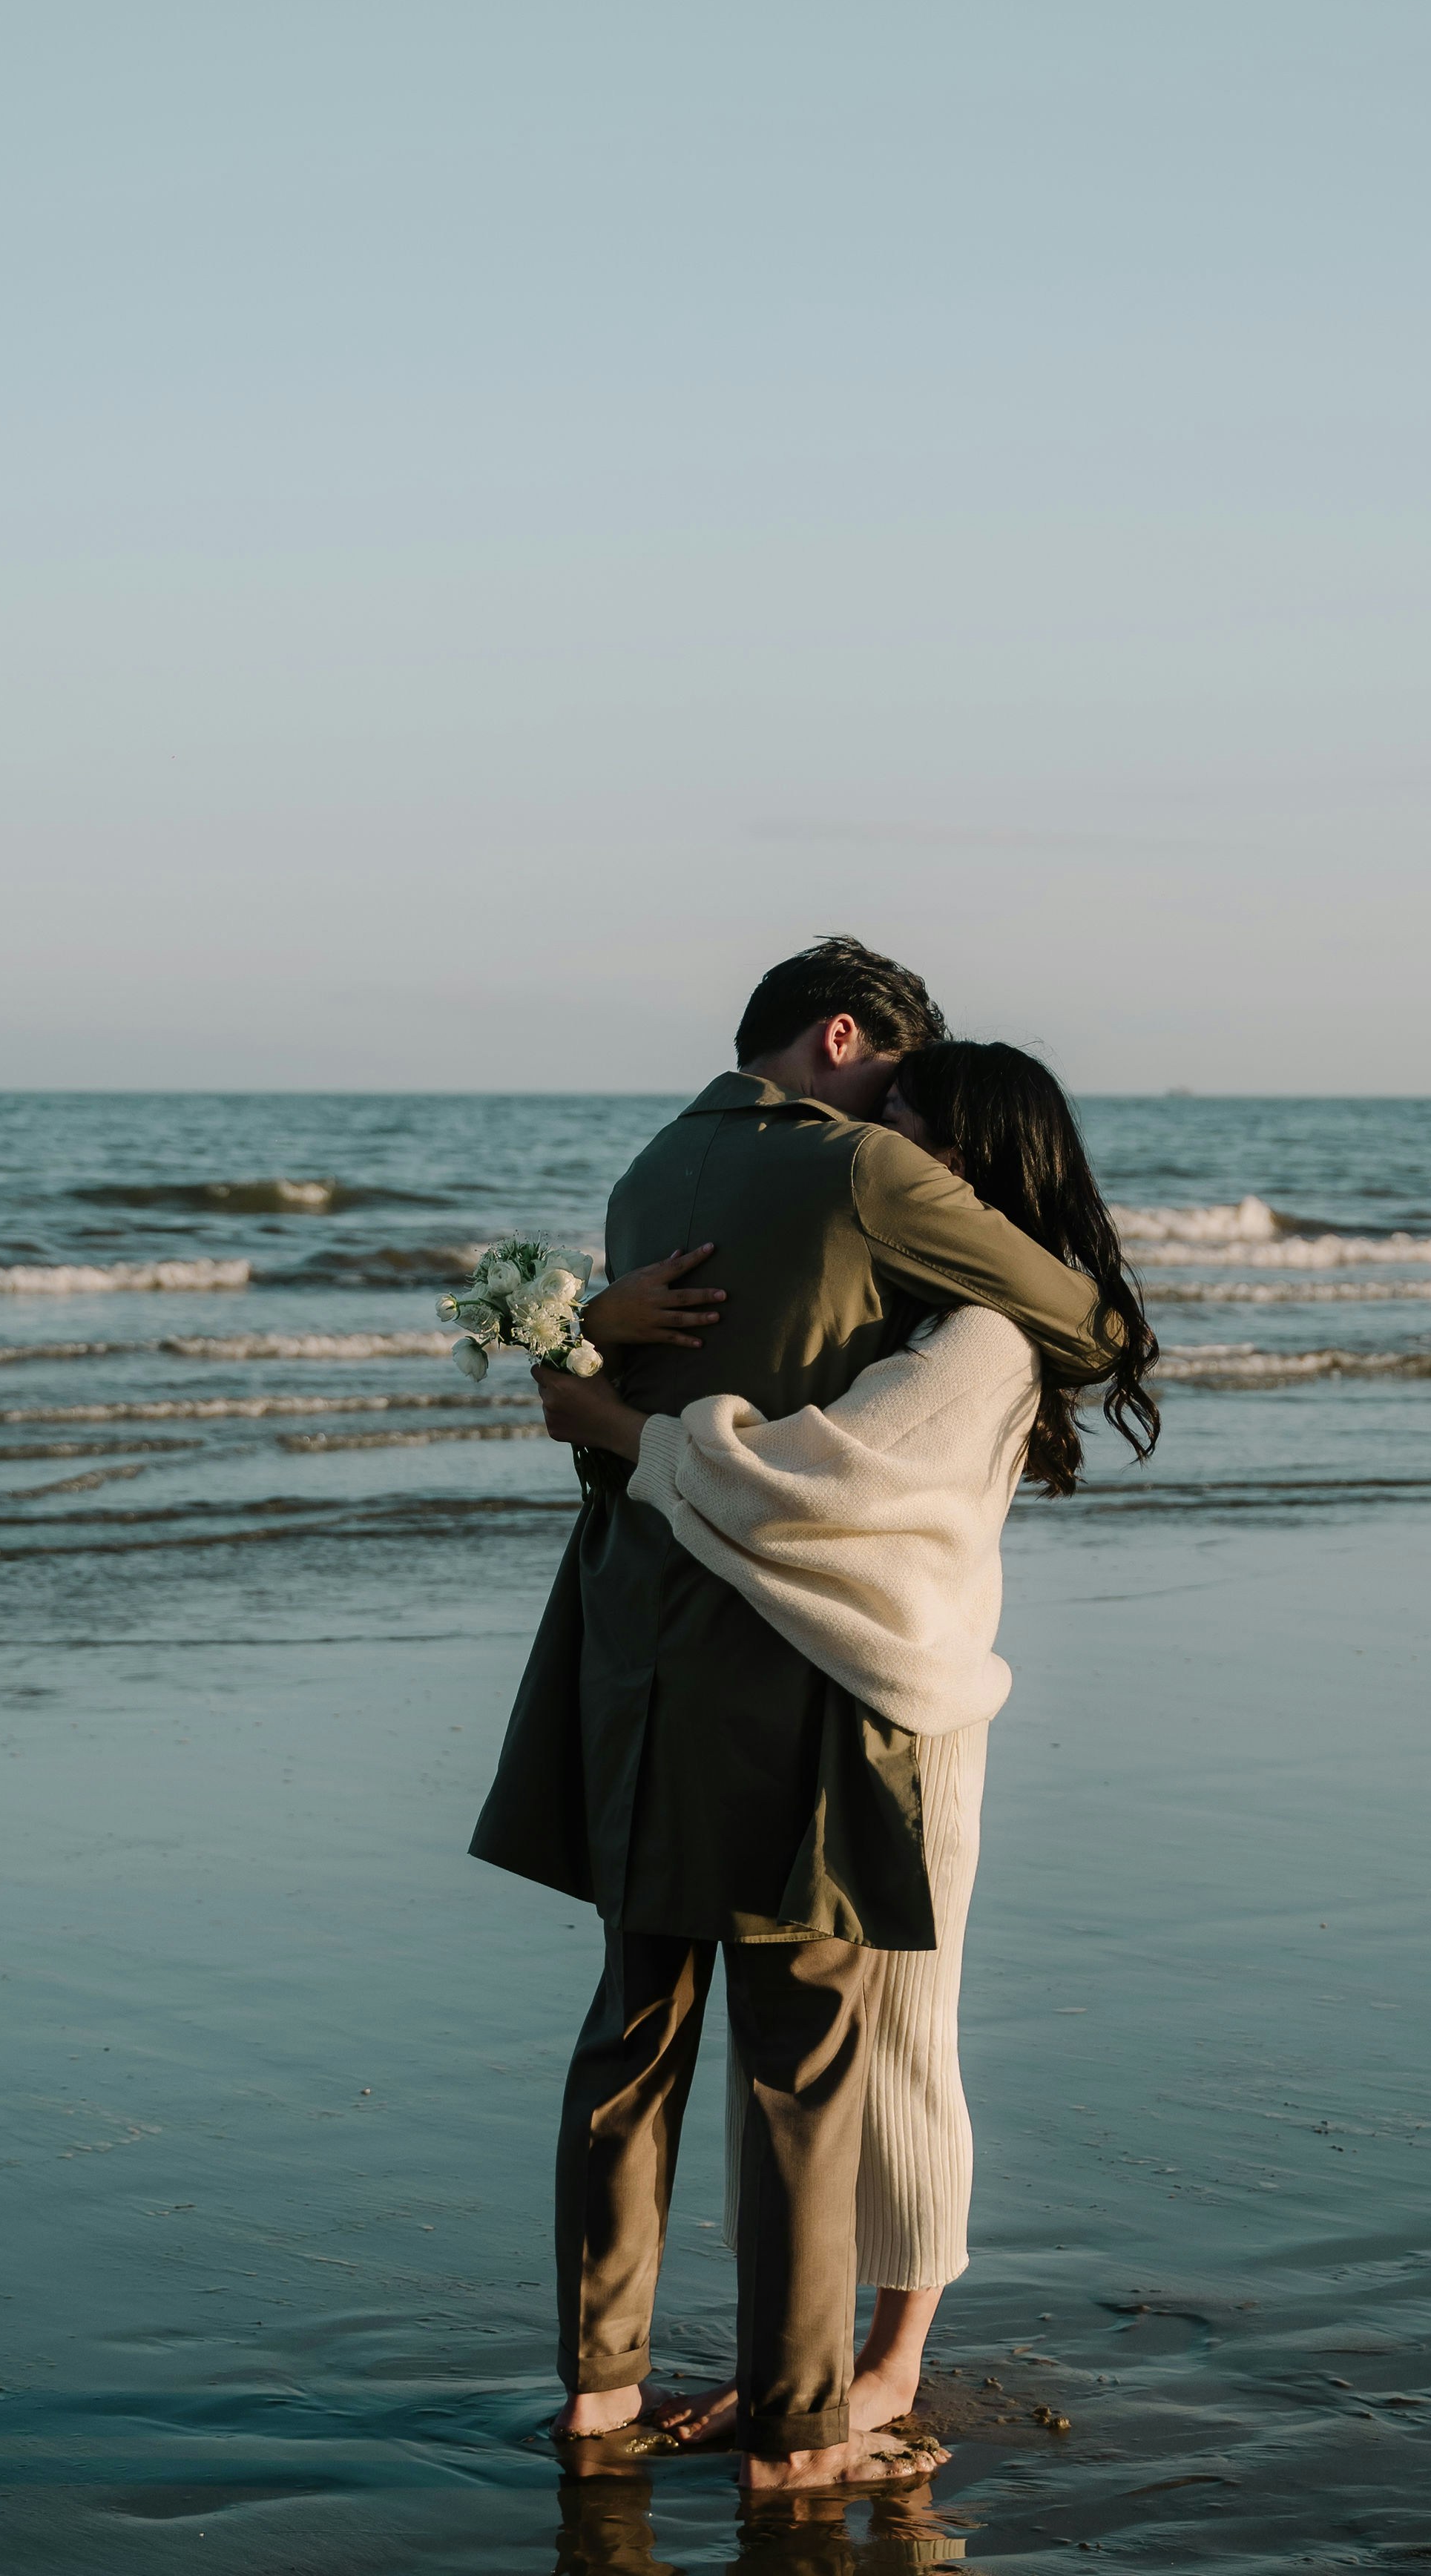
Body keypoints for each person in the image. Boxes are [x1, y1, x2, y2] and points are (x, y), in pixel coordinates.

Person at [468, 941, 1120, 2491]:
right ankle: (801, 2418)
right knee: (804, 2055)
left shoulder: (642, 1176)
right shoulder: (865, 1174)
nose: (908, 1117)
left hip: (626, 1647)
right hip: (792, 1660)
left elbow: (597, 1428)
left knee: (628, 2031)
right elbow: (1080, 1318)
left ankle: (598, 2395)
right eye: (897, 1081)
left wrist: (603, 1350)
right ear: (844, 1041)